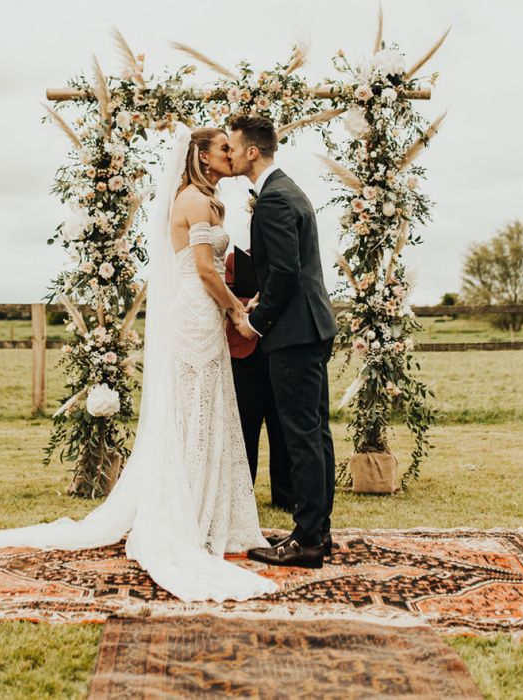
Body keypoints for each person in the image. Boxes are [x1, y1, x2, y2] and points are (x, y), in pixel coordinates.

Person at [0, 125, 276, 602]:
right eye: (223, 148)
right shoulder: (191, 200)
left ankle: (212, 512)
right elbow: (206, 271)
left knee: (210, 407)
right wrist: (235, 307)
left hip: (206, 312)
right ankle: (189, 512)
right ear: (203, 157)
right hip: (195, 311)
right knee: (193, 406)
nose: (230, 154)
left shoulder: (215, 202)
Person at [228, 114, 338, 570]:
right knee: (315, 433)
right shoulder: (289, 190)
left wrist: (257, 322)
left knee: (300, 437)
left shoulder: (273, 200)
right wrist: (261, 298)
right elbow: (284, 271)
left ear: (252, 151)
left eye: (233, 148)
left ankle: (307, 539)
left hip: (292, 333)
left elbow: (287, 274)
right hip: (310, 328)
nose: (230, 155)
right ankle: (319, 531)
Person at [224, 250, 294, 511]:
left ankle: (285, 496)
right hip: (244, 352)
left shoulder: (286, 259)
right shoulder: (234, 261)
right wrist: (255, 306)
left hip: (279, 351)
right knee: (244, 428)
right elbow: (226, 301)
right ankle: (243, 495)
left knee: (281, 426)